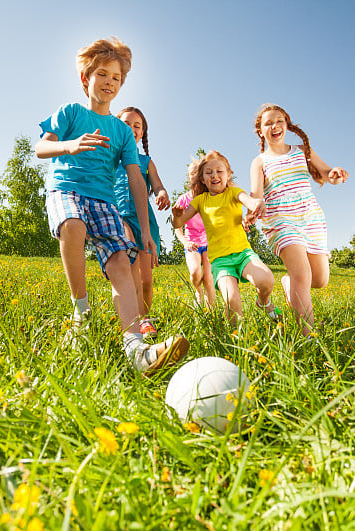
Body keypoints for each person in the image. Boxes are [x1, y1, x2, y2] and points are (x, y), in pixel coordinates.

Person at [34, 37, 189, 375]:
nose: (109, 82)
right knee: (73, 226)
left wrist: (146, 231)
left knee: (122, 261)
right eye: (102, 74)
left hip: (103, 202)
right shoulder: (71, 113)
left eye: (116, 78)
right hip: (67, 190)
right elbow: (40, 149)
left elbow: (136, 179)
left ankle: (136, 349)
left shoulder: (120, 131)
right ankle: (81, 310)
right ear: (85, 79)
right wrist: (70, 145)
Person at [247, 103, 348, 335]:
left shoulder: (302, 150)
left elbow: (326, 173)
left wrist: (335, 175)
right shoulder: (260, 161)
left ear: (287, 125)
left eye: (279, 121)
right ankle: (308, 337)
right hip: (281, 219)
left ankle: (288, 284)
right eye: (268, 123)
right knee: (302, 275)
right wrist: (252, 211)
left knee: (319, 279)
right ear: (260, 131)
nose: (275, 126)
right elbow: (256, 195)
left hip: (310, 216)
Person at [171, 150, 278, 326]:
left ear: (228, 175)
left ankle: (264, 302)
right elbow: (178, 224)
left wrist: (256, 203)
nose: (214, 176)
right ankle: (238, 339)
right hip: (220, 261)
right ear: (203, 179)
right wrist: (176, 216)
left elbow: (248, 200)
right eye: (209, 173)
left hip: (243, 253)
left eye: (219, 171)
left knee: (266, 280)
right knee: (231, 300)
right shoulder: (200, 201)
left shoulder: (234, 193)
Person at [112, 107, 170, 336]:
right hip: (118, 217)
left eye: (137, 126)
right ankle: (134, 320)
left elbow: (157, 185)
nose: (132, 128)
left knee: (146, 279)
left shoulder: (146, 161)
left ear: (142, 133)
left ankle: (145, 316)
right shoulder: (109, 157)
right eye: (126, 124)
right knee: (131, 267)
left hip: (144, 221)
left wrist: (162, 193)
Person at [173, 159, 216, 308]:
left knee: (209, 278)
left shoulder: (209, 197)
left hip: (209, 243)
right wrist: (185, 242)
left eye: (198, 173)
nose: (195, 176)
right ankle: (199, 293)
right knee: (196, 273)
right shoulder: (183, 200)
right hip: (192, 243)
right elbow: (177, 228)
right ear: (188, 176)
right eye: (192, 173)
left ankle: (212, 311)